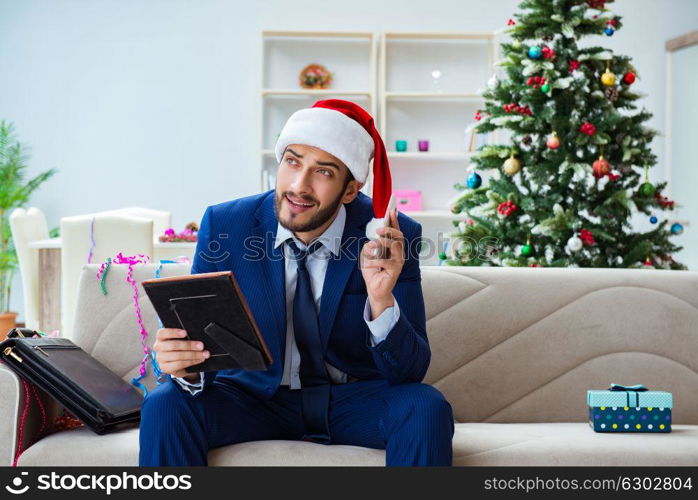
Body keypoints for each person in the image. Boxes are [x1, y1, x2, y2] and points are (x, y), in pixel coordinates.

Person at [138, 99, 454, 466]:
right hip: (252, 399)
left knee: (425, 405)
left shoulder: (391, 235)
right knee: (166, 403)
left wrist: (381, 299)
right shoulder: (226, 225)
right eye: (292, 162)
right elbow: (196, 337)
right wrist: (183, 364)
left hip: (350, 402)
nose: (299, 186)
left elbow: (409, 372)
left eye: (323, 172)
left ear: (350, 190)